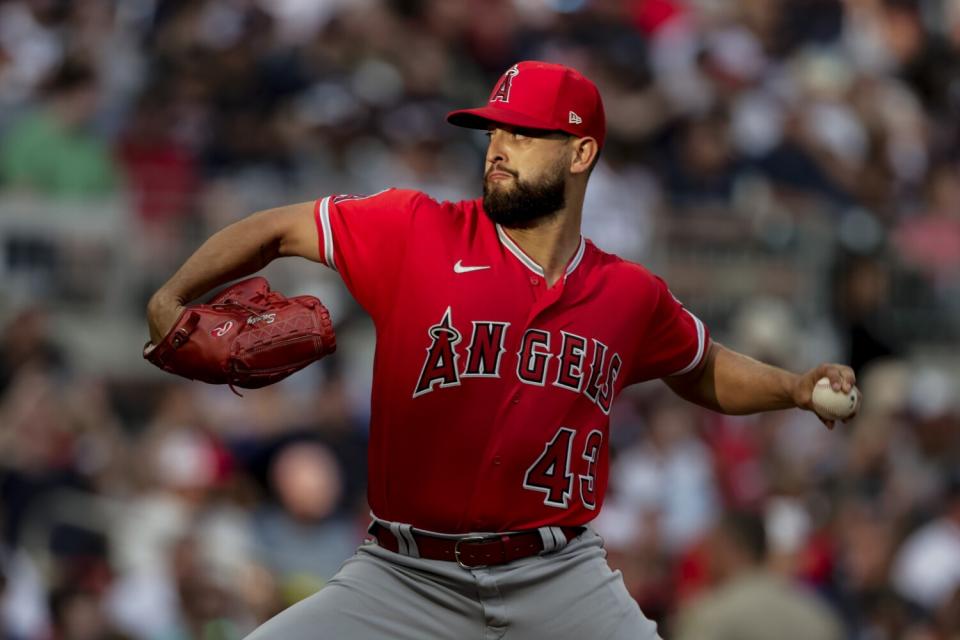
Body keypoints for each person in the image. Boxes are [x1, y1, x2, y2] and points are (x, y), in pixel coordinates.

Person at [146, 61, 859, 640]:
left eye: (524, 133)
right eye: (493, 130)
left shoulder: (629, 294)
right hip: (403, 576)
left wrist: (794, 388)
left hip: (559, 581)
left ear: (581, 153)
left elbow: (702, 369)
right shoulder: (416, 231)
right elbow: (276, 228)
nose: (498, 146)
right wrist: (170, 296)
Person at [672, 510, 843, 640]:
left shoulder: (709, 614)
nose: (706, 559)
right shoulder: (816, 612)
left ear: (726, 548)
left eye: (710, 549)